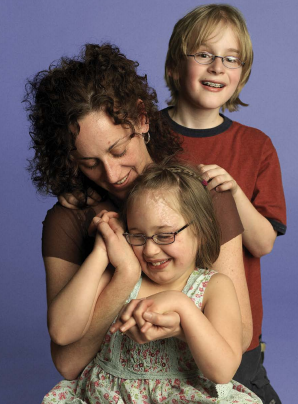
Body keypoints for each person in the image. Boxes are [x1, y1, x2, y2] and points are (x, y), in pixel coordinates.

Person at [24, 44, 250, 385]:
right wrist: (126, 274)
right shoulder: (71, 217)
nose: (112, 175)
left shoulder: (203, 193)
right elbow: (67, 362)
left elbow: (240, 335)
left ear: (142, 119)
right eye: (89, 164)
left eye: (118, 150)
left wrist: (183, 324)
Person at [42, 160, 262, 404]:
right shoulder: (115, 278)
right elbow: (61, 331)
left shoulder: (213, 287)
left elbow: (223, 371)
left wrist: (182, 305)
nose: (150, 250)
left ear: (200, 230)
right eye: (137, 235)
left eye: (165, 235)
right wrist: (101, 251)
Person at [162, 4, 286, 403]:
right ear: (175, 66)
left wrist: (233, 194)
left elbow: (264, 243)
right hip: (162, 324)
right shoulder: (145, 135)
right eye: (204, 54)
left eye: (231, 59)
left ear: (241, 74)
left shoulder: (257, 146)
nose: (218, 67)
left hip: (234, 326)